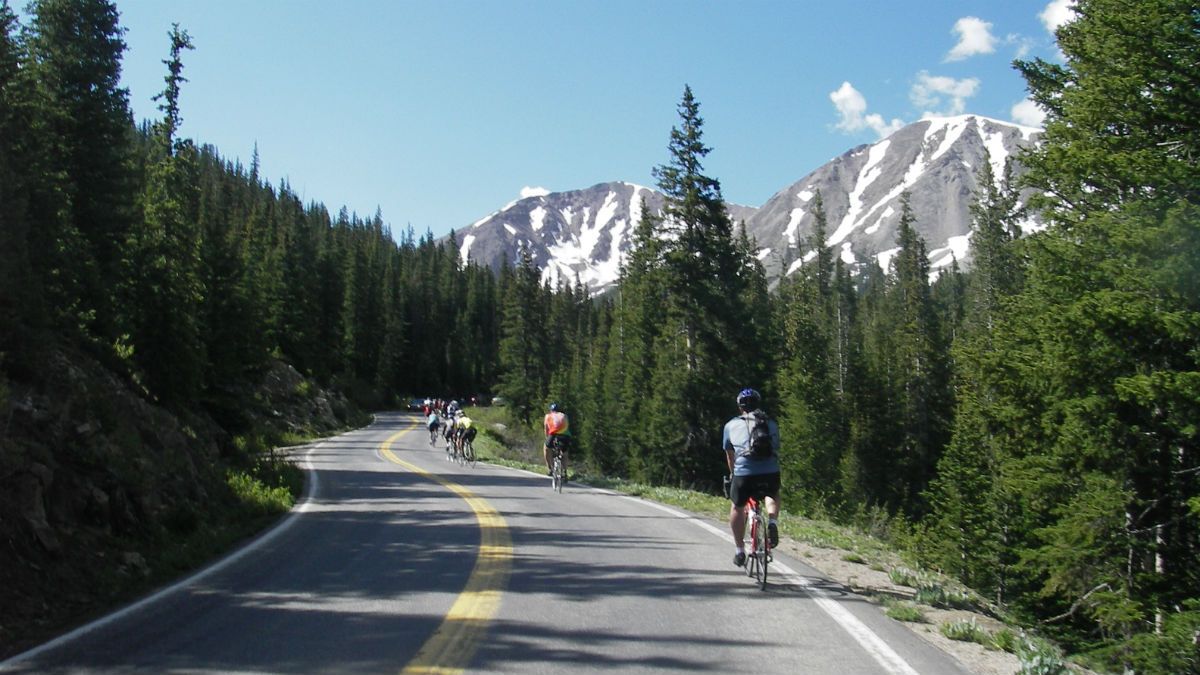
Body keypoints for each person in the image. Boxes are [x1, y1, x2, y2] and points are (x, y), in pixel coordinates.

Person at [723, 387, 781, 567]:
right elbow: (776, 447)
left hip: (744, 474)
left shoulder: (731, 425)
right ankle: (772, 521)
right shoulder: (771, 423)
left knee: (737, 507)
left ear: (740, 407)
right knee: (773, 494)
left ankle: (740, 550)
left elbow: (730, 454)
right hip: (770, 471)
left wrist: (733, 474)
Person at [543, 402, 570, 478]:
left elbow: (546, 429)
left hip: (553, 434)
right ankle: (565, 471)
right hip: (565, 435)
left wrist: (547, 438)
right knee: (565, 452)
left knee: (546, 448)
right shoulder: (564, 415)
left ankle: (549, 469)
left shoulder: (548, 416)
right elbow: (567, 427)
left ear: (551, 410)